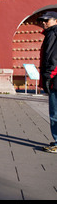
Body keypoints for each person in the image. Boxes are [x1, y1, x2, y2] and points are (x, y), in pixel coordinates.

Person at [37, 11, 57, 153]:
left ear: (55, 20)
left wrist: (48, 76)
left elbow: (53, 57)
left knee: (55, 113)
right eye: (42, 20)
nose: (44, 22)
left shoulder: (53, 33)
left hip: (55, 79)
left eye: (47, 20)